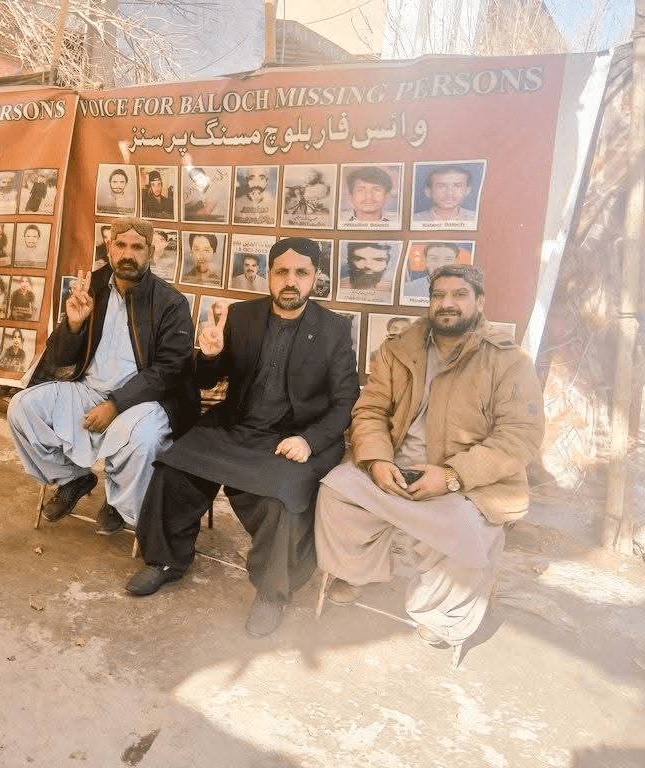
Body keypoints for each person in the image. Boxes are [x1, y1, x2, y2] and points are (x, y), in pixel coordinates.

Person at [125, 236, 359, 638]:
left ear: (315, 278)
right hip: (236, 426)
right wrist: (210, 355)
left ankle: (272, 593)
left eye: (301, 272)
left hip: (293, 437)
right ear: (269, 276)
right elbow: (205, 380)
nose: (291, 281)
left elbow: (344, 401)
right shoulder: (243, 316)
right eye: (282, 271)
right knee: (174, 465)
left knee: (283, 499)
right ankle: (166, 560)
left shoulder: (333, 329)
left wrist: (309, 440)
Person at [314, 264, 544, 650]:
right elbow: (370, 410)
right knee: (336, 490)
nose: (447, 304)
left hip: (464, 481)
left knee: (464, 528)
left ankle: (440, 614)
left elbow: (520, 436)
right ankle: (359, 573)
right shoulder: (399, 349)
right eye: (439, 296)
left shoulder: (509, 360)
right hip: (392, 467)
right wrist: (376, 460)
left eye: (459, 296)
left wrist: (451, 476)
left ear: (479, 302)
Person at [8, 216, 198, 536]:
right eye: (120, 245)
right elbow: (60, 358)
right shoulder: (91, 287)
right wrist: (73, 325)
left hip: (144, 400)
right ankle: (73, 479)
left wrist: (116, 404)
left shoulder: (170, 302)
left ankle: (119, 502)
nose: (128, 253)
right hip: (88, 388)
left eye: (137, 247)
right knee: (22, 409)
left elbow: (170, 370)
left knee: (145, 439)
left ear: (150, 252)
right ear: (109, 247)